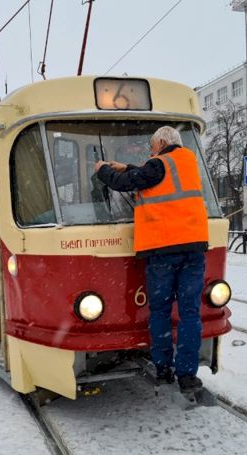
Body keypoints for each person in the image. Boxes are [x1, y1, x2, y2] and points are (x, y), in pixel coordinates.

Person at [94, 126, 209, 394]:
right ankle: (187, 375)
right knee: (190, 313)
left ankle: (163, 368)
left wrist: (103, 170)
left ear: (162, 143)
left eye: (152, 146)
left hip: (164, 249)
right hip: (194, 248)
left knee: (160, 311)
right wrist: (128, 167)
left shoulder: (159, 163)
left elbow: (127, 183)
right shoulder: (188, 162)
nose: (150, 151)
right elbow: (155, 178)